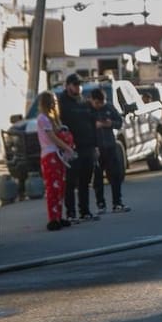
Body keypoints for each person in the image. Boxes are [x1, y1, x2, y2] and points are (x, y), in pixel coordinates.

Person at [57, 74, 99, 220]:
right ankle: (71, 213)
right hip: (71, 148)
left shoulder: (84, 103)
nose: (78, 87)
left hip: (87, 146)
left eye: (79, 84)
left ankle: (85, 211)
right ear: (68, 85)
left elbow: (93, 124)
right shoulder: (61, 103)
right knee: (70, 182)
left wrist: (95, 146)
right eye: (75, 84)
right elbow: (58, 126)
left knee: (85, 181)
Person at [36, 91, 75, 231]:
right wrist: (67, 147)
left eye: (55, 101)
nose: (54, 103)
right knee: (52, 187)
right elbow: (52, 137)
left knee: (60, 186)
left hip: (58, 155)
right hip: (49, 154)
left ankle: (58, 215)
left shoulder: (52, 118)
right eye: (51, 101)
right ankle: (53, 218)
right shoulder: (43, 118)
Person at [90, 87, 131, 213]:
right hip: (97, 148)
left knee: (115, 176)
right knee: (98, 178)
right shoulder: (88, 110)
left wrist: (110, 123)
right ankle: (101, 204)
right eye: (97, 103)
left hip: (110, 146)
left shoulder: (109, 108)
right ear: (92, 100)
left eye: (102, 103)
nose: (99, 105)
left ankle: (117, 203)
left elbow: (119, 122)